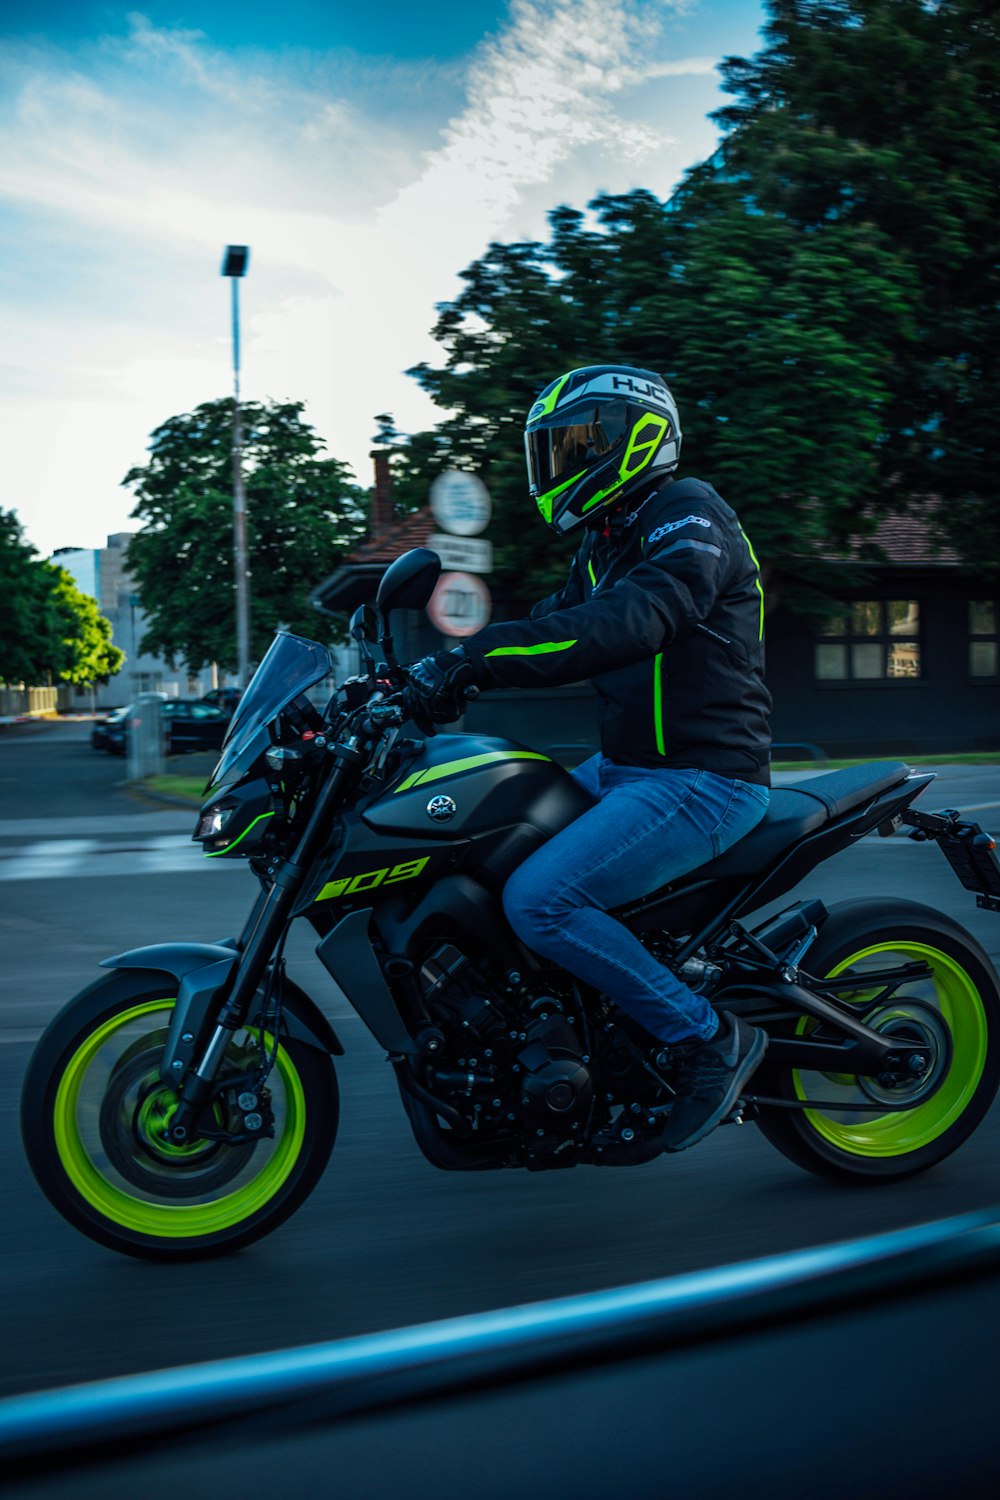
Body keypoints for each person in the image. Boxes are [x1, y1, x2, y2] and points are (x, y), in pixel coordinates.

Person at [403, 364, 772, 1152]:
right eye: (556, 448)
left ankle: (708, 1036)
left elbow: (630, 620)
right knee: (492, 846)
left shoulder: (688, 514)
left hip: (704, 779)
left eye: (577, 444)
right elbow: (554, 623)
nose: (561, 463)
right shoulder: (605, 541)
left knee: (542, 900)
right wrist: (426, 671)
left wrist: (477, 659)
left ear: (635, 439)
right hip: (630, 770)